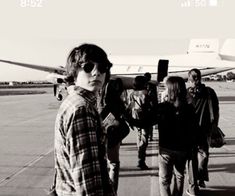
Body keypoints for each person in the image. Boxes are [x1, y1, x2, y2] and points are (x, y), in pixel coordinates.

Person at [53, 44, 116, 196]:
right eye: (88, 67)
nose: (96, 73)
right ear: (74, 72)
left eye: (102, 68)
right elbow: (86, 177)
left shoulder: (74, 101)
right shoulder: (82, 109)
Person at [156, 76, 198, 196]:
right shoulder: (189, 108)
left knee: (164, 180)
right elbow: (194, 128)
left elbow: (146, 121)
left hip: (166, 150)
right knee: (179, 176)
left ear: (169, 90)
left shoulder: (162, 107)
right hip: (183, 149)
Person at [187, 68, 219, 191]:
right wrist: (215, 125)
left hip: (193, 130)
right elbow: (216, 111)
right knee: (203, 155)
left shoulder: (187, 93)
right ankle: (199, 180)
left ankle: (194, 183)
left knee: (193, 157)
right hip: (204, 130)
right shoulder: (209, 92)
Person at [98, 78, 130, 193]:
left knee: (106, 165)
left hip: (103, 138)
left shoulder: (102, 103)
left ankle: (107, 189)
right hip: (113, 139)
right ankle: (113, 191)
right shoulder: (119, 104)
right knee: (114, 165)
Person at [129, 75, 151, 170]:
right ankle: (141, 159)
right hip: (145, 117)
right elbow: (149, 106)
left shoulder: (132, 93)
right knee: (144, 138)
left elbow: (130, 106)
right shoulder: (146, 93)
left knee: (139, 136)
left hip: (135, 117)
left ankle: (140, 155)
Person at [144, 72, 158, 141]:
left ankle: (148, 135)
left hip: (145, 106)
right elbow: (155, 96)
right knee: (151, 122)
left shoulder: (143, 85)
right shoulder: (153, 85)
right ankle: (151, 136)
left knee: (147, 122)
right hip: (152, 106)